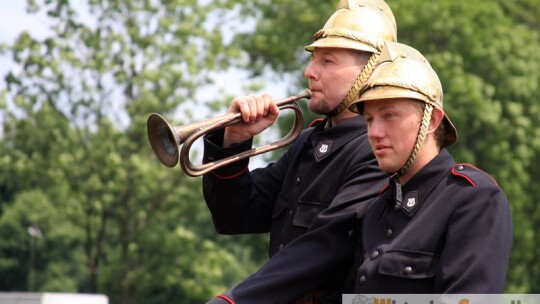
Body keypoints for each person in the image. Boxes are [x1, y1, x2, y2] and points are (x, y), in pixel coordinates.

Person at [202, 0, 397, 303]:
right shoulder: (308, 142)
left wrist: (234, 300)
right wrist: (234, 141)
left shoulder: (377, 151)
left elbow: (322, 247)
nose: (309, 72)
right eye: (313, 60)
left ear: (372, 69)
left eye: (327, 62)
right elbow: (235, 216)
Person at [347, 41, 513, 293]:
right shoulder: (376, 209)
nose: (374, 132)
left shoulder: (473, 198)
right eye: (369, 120)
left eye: (389, 115)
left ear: (433, 120)